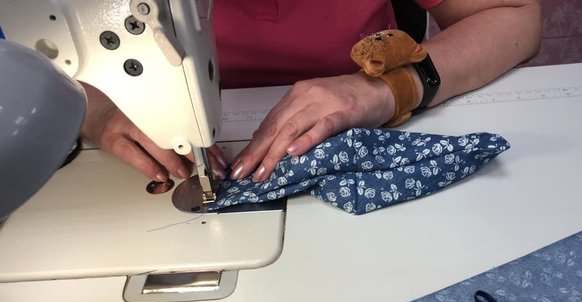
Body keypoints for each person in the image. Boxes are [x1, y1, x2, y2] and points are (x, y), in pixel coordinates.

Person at [81, 0, 541, 183]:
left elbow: (515, 15)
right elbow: (35, 48)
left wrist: (391, 87)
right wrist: (92, 104)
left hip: (363, 121)